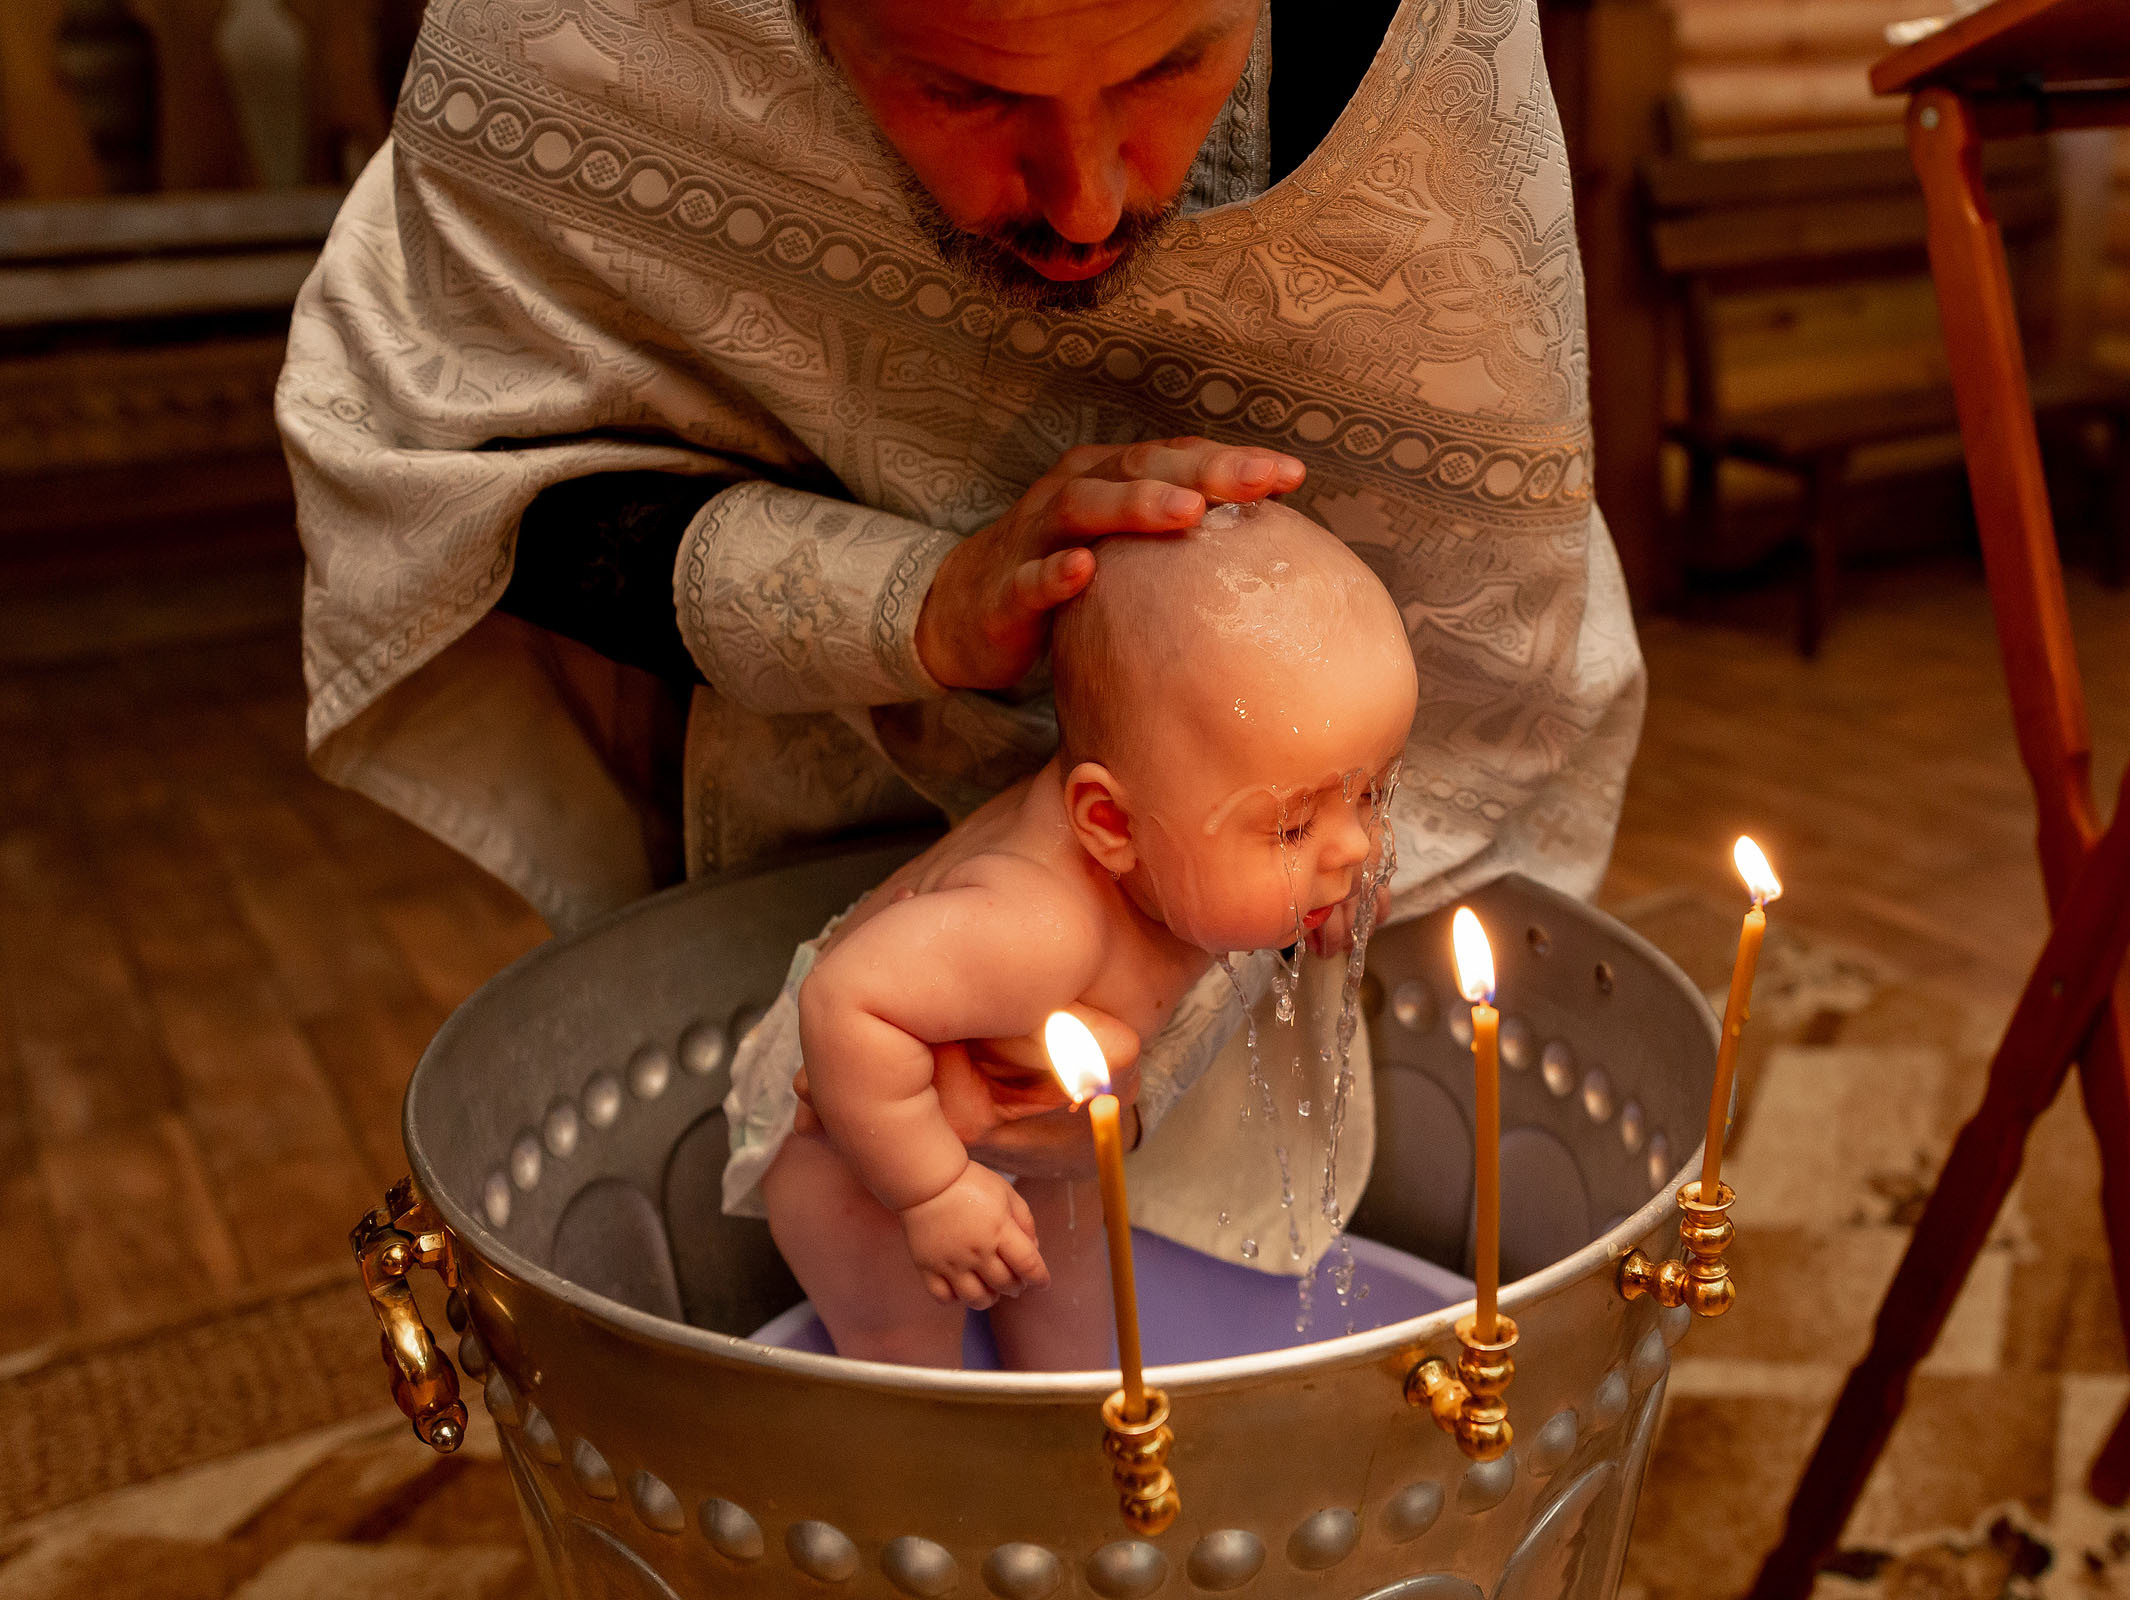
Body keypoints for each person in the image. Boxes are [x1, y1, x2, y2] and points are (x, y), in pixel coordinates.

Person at [279, 0, 1645, 1267]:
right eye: (959, 90)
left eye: (1172, 65)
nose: (1087, 203)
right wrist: (909, 600)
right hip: (812, 843)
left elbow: (1483, 506)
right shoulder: (580, 34)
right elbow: (442, 461)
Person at [722, 503, 1415, 1367]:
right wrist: (935, 1189)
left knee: (1081, 1292)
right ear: (1109, 823)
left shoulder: (1174, 835)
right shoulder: (1035, 929)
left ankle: (1082, 1427)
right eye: (1289, 829)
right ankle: (931, 1470)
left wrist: (1324, 894)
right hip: (856, 1135)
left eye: (1368, 793)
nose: (1353, 849)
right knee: (904, 1338)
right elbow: (845, 1001)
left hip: (1034, 1109)